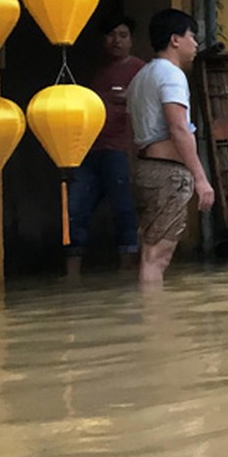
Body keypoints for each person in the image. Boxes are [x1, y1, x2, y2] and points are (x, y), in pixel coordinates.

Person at [126, 9, 215, 284]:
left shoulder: (141, 76)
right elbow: (178, 128)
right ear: (175, 39)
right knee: (158, 257)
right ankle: (156, 321)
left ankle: (152, 316)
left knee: (149, 252)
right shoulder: (171, 75)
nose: (195, 44)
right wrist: (201, 180)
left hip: (146, 168)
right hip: (167, 173)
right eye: (192, 37)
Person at [66, 16, 146, 277]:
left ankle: (125, 270)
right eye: (111, 35)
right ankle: (72, 273)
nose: (117, 41)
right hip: (88, 150)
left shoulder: (140, 71)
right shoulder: (97, 72)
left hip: (120, 151)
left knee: (123, 209)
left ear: (131, 40)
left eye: (123, 35)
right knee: (74, 211)